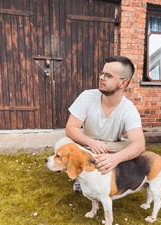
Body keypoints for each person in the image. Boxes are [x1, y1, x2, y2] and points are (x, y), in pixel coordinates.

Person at [55, 55, 145, 190]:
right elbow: (71, 128)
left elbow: (139, 143)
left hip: (109, 148)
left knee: (133, 148)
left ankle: (113, 172)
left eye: (108, 75)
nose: (101, 78)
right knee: (62, 143)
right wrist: (92, 143)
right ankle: (80, 175)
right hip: (87, 145)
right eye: (102, 73)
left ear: (123, 83)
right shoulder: (87, 96)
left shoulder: (128, 109)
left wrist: (115, 159)